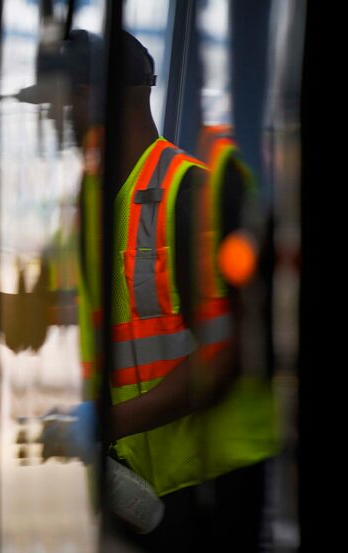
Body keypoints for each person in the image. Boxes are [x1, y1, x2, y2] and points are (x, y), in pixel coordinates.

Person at [38, 29, 277, 550]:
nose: (52, 119)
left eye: (60, 100)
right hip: (157, 483)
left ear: (99, 95)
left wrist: (103, 422)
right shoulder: (95, 204)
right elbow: (43, 312)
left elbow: (219, 359)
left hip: (220, 483)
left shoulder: (191, 195)